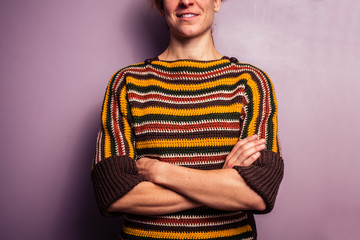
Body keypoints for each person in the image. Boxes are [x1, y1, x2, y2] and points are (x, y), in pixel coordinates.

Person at [91, 0, 284, 239]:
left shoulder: (250, 82)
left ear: (216, 2)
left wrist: (160, 172)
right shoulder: (127, 83)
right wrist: (219, 185)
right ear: (161, 6)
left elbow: (259, 194)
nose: (186, 1)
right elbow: (112, 195)